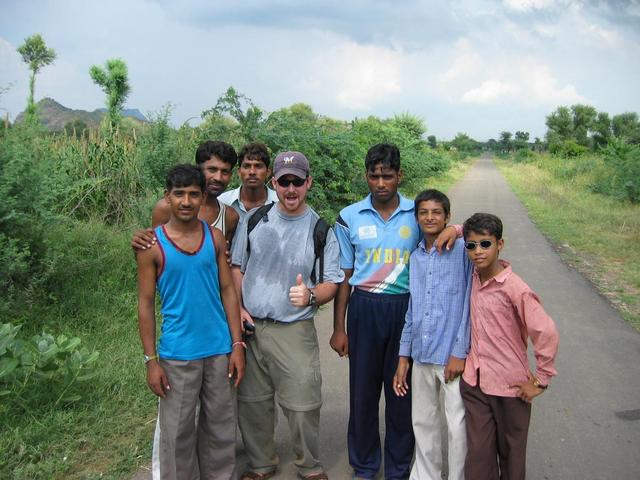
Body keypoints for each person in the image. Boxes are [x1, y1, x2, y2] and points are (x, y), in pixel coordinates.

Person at [331, 143, 459, 480]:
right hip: (364, 307)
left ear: (399, 176)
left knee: (402, 393)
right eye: (374, 176)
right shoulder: (348, 217)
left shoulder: (415, 213)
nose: (381, 183)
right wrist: (339, 327)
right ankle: (364, 464)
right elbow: (345, 275)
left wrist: (455, 229)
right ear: (366, 177)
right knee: (363, 392)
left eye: (388, 176)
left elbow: (445, 232)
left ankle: (400, 466)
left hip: (406, 308)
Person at [231, 151, 344, 480]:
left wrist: (310, 295)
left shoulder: (321, 230)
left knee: (303, 403)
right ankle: (261, 464)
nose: (291, 189)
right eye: (284, 181)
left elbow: (331, 282)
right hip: (252, 326)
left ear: (308, 183)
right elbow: (238, 267)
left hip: (293, 329)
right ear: (274, 183)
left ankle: (309, 466)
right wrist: (239, 308)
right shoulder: (255, 220)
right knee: (252, 402)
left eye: (297, 181)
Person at [136, 164, 245, 479]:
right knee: (178, 433)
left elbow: (227, 290)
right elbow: (144, 303)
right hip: (177, 354)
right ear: (166, 198)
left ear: (202, 198)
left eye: (193, 194)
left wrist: (237, 344)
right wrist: (150, 360)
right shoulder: (151, 246)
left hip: (219, 350)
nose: (186, 201)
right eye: (178, 194)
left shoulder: (215, 238)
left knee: (221, 430)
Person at [460, 212, 559, 480]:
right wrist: (457, 230)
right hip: (476, 382)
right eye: (471, 246)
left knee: (512, 458)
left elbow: (545, 330)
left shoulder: (515, 288)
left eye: (485, 244)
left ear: (500, 245)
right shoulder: (473, 276)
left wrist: (542, 380)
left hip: (510, 388)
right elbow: (462, 233)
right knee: (478, 458)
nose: (478, 252)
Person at [392, 189, 472, 480]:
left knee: (457, 426)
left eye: (436, 212)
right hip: (422, 353)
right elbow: (413, 309)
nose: (429, 217)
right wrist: (404, 356)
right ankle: (426, 475)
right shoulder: (416, 258)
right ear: (416, 218)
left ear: (447, 216)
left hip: (452, 356)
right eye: (423, 212)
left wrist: (460, 352)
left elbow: (469, 305)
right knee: (423, 422)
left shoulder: (463, 251)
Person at [132, 140, 240, 249]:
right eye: (212, 169)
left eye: (225, 172)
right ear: (198, 169)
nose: (218, 178)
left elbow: (223, 258)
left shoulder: (229, 217)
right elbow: (153, 249)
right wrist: (141, 243)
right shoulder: (166, 208)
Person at [218, 142, 278, 223]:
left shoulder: (279, 202)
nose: (252, 172)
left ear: (268, 172)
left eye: (258, 166)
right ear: (239, 172)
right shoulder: (222, 202)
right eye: (247, 166)